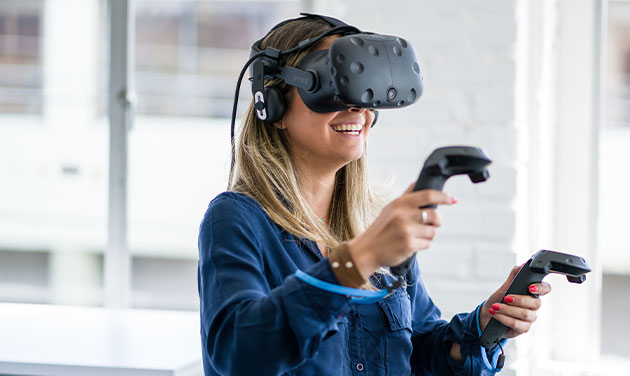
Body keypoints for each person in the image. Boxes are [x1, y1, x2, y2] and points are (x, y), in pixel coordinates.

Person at [197, 14, 551, 376]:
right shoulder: (237, 220)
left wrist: (485, 326)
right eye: (334, 86)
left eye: (363, 90)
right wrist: (360, 259)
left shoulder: (375, 226)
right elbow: (237, 353)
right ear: (272, 104)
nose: (358, 109)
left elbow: (421, 351)